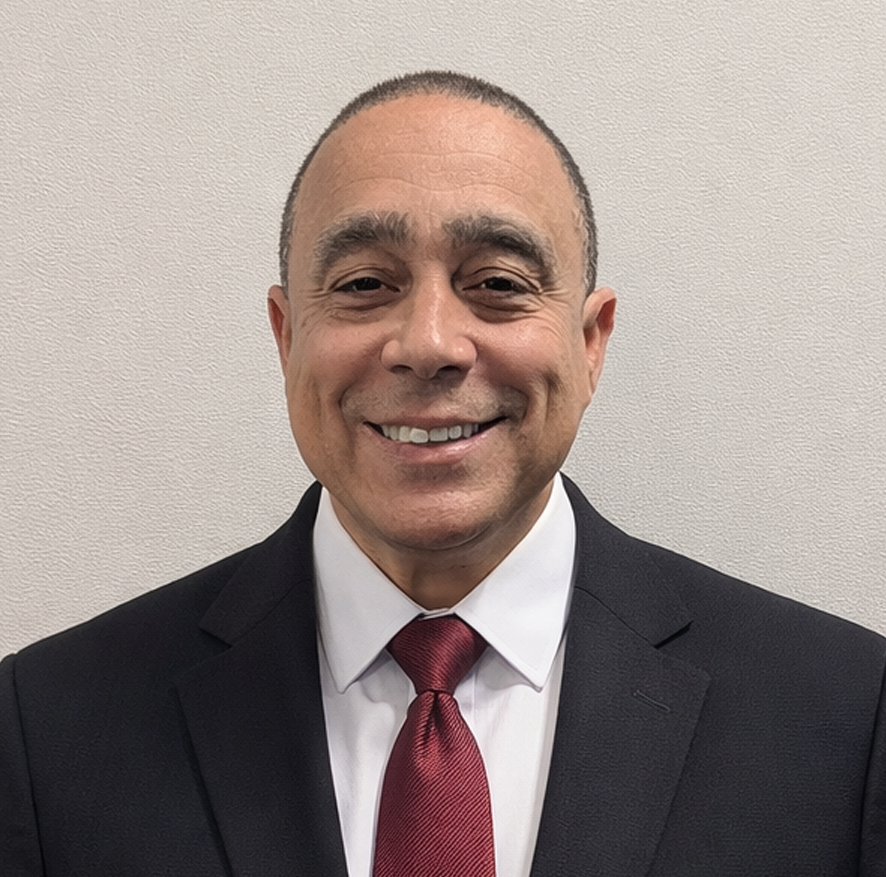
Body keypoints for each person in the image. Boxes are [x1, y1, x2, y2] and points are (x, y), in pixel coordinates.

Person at [1, 71, 884, 877]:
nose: (427, 343)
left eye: (497, 281)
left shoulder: (845, 720)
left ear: (590, 343)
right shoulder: (47, 731)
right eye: (361, 285)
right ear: (285, 336)